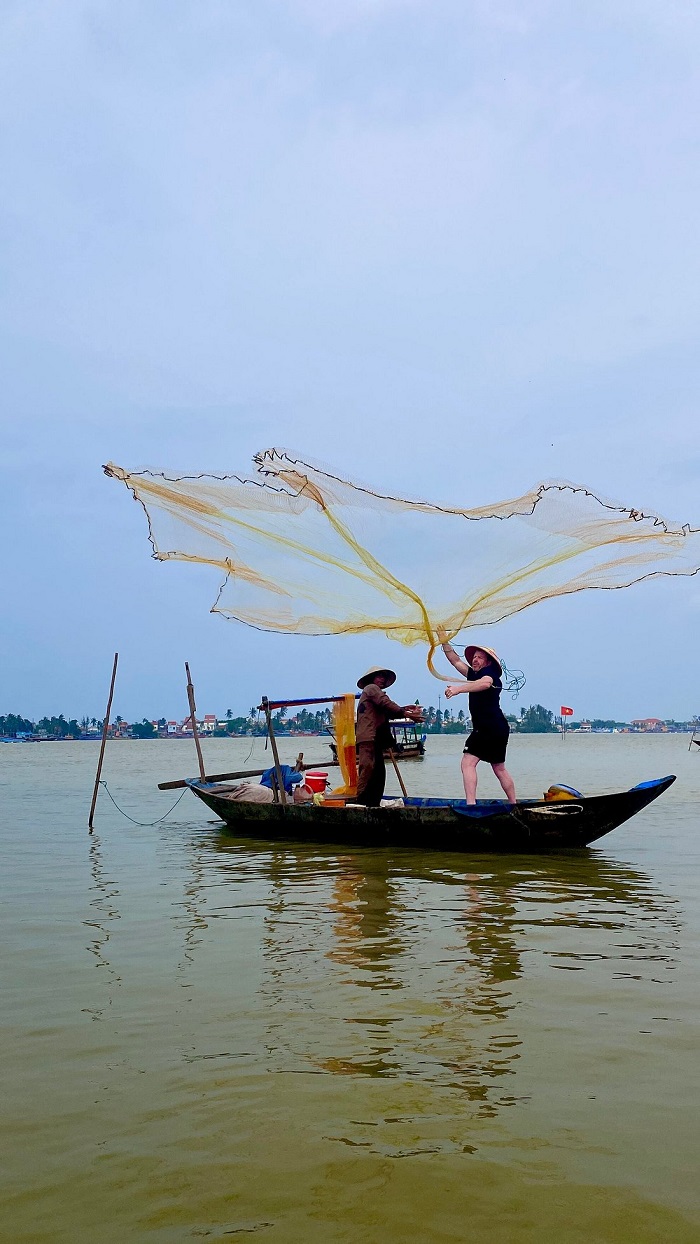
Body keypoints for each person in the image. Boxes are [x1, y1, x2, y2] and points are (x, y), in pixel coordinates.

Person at [437, 631, 516, 805]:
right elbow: (455, 660)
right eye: (474, 657)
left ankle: (471, 804)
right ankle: (513, 804)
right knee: (499, 768)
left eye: (480, 657)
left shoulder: (490, 674)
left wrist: (458, 689)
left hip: (490, 727)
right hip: (496, 727)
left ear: (488, 662)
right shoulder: (474, 674)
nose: (475, 660)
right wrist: (444, 640)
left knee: (468, 762)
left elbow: (485, 683)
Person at [355, 667, 423, 806]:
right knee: (368, 770)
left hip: (375, 739)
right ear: (372, 678)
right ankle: (361, 802)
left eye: (383, 677)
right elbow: (385, 703)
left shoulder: (373, 693)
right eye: (379, 676)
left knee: (379, 773)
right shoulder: (371, 688)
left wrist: (405, 709)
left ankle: (372, 803)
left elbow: (388, 710)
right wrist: (407, 714)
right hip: (369, 737)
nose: (382, 679)